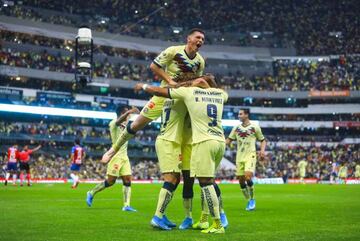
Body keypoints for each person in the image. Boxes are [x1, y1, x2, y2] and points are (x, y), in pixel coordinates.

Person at [134, 75, 228, 234]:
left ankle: (215, 221)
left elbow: (161, 91)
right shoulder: (220, 94)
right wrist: (206, 80)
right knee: (191, 180)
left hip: (197, 141)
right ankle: (169, 217)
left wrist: (143, 86)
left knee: (203, 182)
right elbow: (214, 86)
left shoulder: (187, 93)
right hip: (215, 140)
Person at [101, 28, 205, 163]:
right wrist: (170, 80)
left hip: (182, 99)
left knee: (184, 133)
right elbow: (154, 66)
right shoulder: (173, 51)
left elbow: (198, 80)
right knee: (137, 123)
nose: (200, 41)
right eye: (198, 37)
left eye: (202, 39)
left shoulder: (200, 61)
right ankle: (113, 150)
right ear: (189, 38)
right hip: (163, 94)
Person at [86, 106, 139, 212]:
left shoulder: (126, 125)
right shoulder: (113, 123)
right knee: (110, 181)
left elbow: (134, 124)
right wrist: (129, 111)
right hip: (115, 156)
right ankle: (91, 192)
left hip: (124, 157)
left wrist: (137, 114)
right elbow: (119, 121)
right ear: (121, 113)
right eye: (126, 113)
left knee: (128, 180)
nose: (128, 115)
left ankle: (126, 205)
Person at [226, 109, 266, 211]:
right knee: (241, 181)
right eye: (239, 114)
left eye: (241, 114)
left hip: (250, 155)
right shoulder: (236, 128)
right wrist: (219, 144)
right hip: (239, 156)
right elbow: (229, 140)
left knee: (248, 177)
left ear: (246, 115)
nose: (239, 116)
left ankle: (252, 199)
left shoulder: (254, 127)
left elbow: (263, 140)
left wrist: (262, 151)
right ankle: (248, 200)